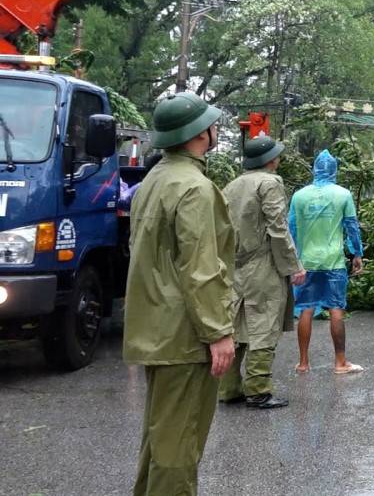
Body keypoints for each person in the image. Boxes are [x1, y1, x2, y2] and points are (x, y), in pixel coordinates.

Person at [123, 91, 235, 496]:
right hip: (185, 335)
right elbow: (201, 267)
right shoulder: (195, 188)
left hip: (156, 328)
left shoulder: (154, 180)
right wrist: (219, 331)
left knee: (160, 439)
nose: (215, 128)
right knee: (179, 446)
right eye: (211, 123)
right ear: (201, 134)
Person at [218, 135, 307, 409]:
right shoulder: (269, 183)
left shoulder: (231, 185)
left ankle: (228, 388)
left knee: (237, 325)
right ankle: (258, 390)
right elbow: (278, 228)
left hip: (235, 265)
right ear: (270, 160)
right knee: (263, 326)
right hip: (263, 265)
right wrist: (294, 266)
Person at [290, 150, 365, 374]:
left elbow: (290, 228)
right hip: (333, 262)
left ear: (314, 169)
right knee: (336, 309)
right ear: (334, 170)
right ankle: (340, 362)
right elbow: (352, 226)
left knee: (305, 309)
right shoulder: (343, 195)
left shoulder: (299, 196)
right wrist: (357, 253)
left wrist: (292, 259)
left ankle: (303, 362)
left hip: (306, 262)